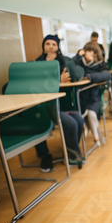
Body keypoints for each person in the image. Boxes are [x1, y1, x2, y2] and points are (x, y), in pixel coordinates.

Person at [35, 34, 85, 169]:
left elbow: (76, 75)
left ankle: (70, 151)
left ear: (58, 47)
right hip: (44, 107)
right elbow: (36, 85)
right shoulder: (36, 64)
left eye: (54, 44)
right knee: (70, 123)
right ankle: (46, 156)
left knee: (79, 121)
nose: (51, 47)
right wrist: (57, 80)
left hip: (63, 104)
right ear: (43, 47)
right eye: (47, 44)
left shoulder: (63, 61)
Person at [73, 42, 112, 146]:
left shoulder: (100, 65)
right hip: (78, 99)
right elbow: (70, 66)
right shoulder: (79, 63)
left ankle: (96, 135)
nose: (90, 54)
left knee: (92, 113)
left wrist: (90, 77)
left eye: (92, 52)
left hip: (92, 98)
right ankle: (88, 134)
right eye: (88, 51)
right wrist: (77, 56)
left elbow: (107, 74)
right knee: (78, 115)